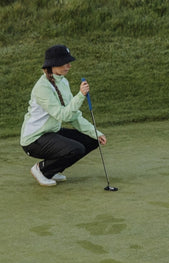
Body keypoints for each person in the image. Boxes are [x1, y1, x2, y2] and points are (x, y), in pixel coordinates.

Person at [20, 44, 107, 186]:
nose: (69, 66)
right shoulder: (42, 87)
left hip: (51, 132)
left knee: (92, 139)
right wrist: (80, 95)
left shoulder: (63, 82)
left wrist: (95, 132)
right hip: (34, 139)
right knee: (76, 149)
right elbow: (63, 116)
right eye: (64, 62)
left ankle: (54, 170)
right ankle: (42, 170)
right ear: (53, 64)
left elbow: (72, 115)